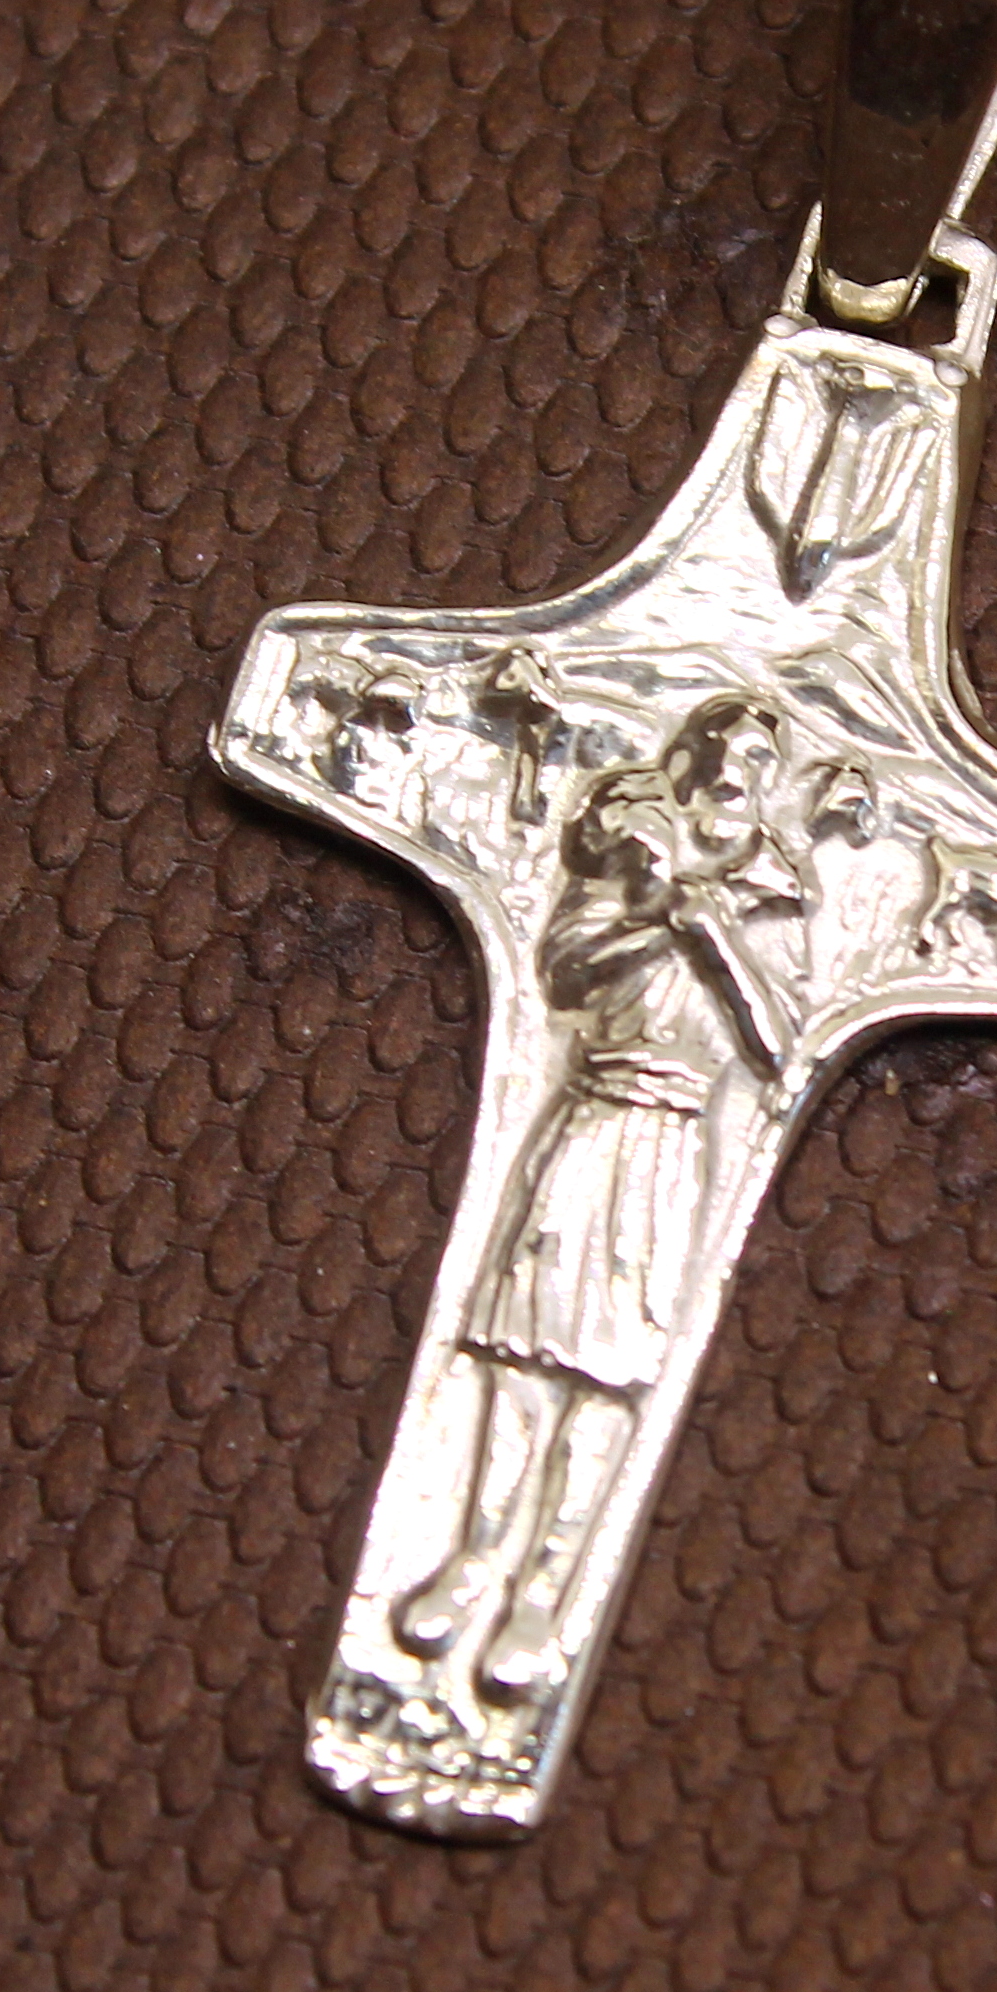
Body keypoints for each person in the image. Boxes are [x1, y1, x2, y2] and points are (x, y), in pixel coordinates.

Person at [394, 698, 804, 1700]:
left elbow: (776, 1046)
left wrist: (715, 932)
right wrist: (656, 916)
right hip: (587, 1122)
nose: (735, 775)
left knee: (604, 1384)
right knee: (516, 1361)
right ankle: (469, 1561)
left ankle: (542, 1596)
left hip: (668, 1150)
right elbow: (565, 973)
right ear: (689, 762)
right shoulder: (624, 855)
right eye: (722, 754)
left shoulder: (774, 894)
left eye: (756, 761)